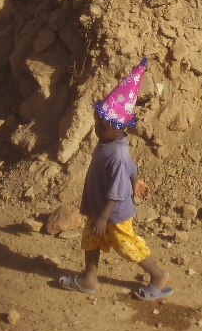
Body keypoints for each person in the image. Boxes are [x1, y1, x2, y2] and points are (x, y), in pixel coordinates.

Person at [59, 57, 172, 301]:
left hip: (113, 213)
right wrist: (137, 180)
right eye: (97, 124)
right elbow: (130, 170)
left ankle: (158, 276)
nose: (97, 129)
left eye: (102, 126)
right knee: (90, 239)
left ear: (120, 127)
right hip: (98, 208)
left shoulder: (117, 153)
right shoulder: (111, 142)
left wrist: (103, 216)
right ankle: (89, 278)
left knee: (126, 245)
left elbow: (117, 191)